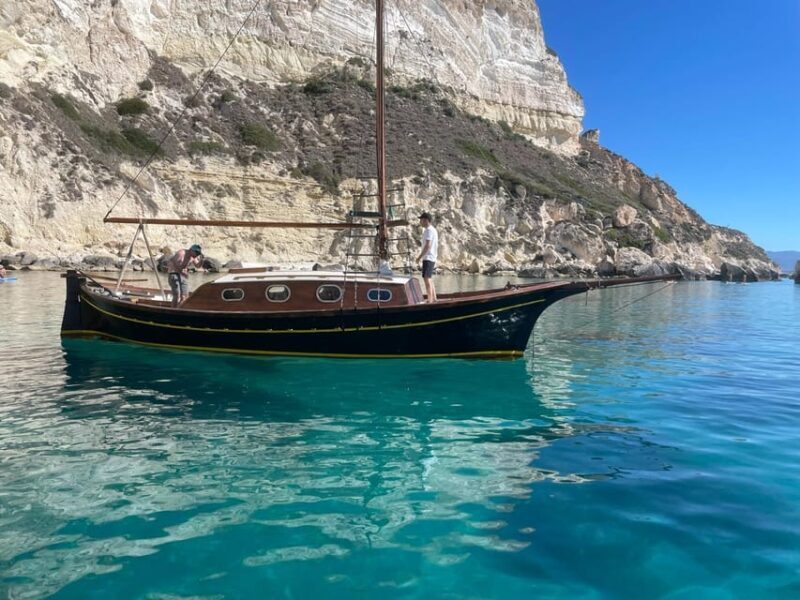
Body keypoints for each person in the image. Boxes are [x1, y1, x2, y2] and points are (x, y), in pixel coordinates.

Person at [416, 212, 438, 303]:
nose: (420, 222)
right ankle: (434, 298)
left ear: (426, 220)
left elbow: (428, 245)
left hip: (428, 257)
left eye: (421, 220)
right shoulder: (433, 230)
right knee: (429, 278)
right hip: (432, 257)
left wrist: (419, 257)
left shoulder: (428, 230)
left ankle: (430, 300)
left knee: (426, 278)